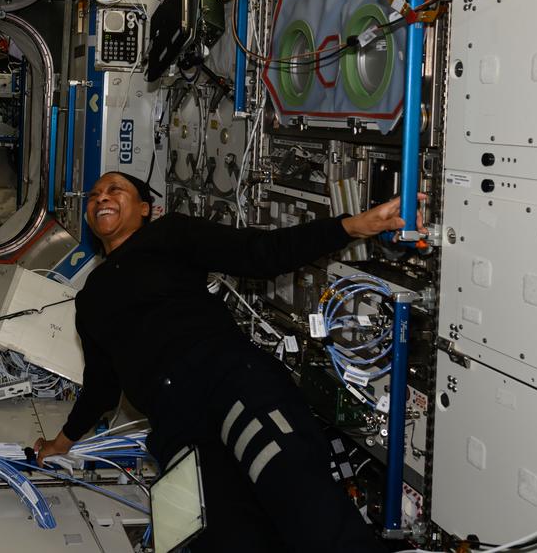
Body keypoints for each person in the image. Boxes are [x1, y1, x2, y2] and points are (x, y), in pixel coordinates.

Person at [34, 171, 419, 551]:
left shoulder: (168, 234)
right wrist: (61, 443)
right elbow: (101, 386)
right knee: (224, 539)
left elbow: (260, 252)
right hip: (177, 428)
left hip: (228, 385)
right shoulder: (91, 298)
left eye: (115, 189)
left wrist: (351, 226)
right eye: (94, 195)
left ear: (146, 209)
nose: (101, 197)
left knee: (302, 503)